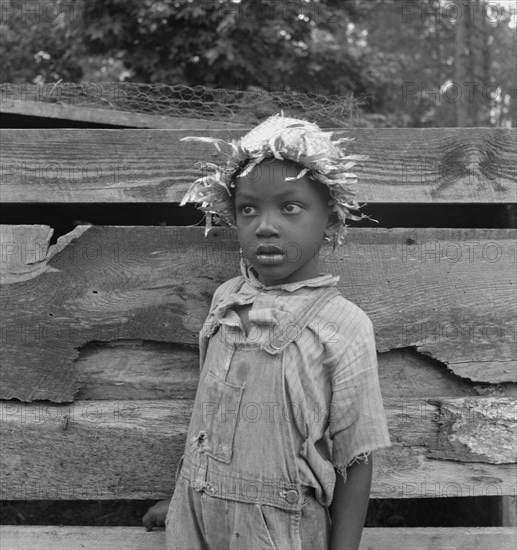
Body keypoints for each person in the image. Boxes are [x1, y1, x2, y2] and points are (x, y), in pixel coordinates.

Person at [142, 114, 391, 549]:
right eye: (248, 209)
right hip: (195, 518)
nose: (265, 225)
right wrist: (188, 497)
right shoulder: (226, 300)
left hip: (277, 531)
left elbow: (357, 457)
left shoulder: (345, 326)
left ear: (331, 219)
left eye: (290, 207)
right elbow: (211, 413)